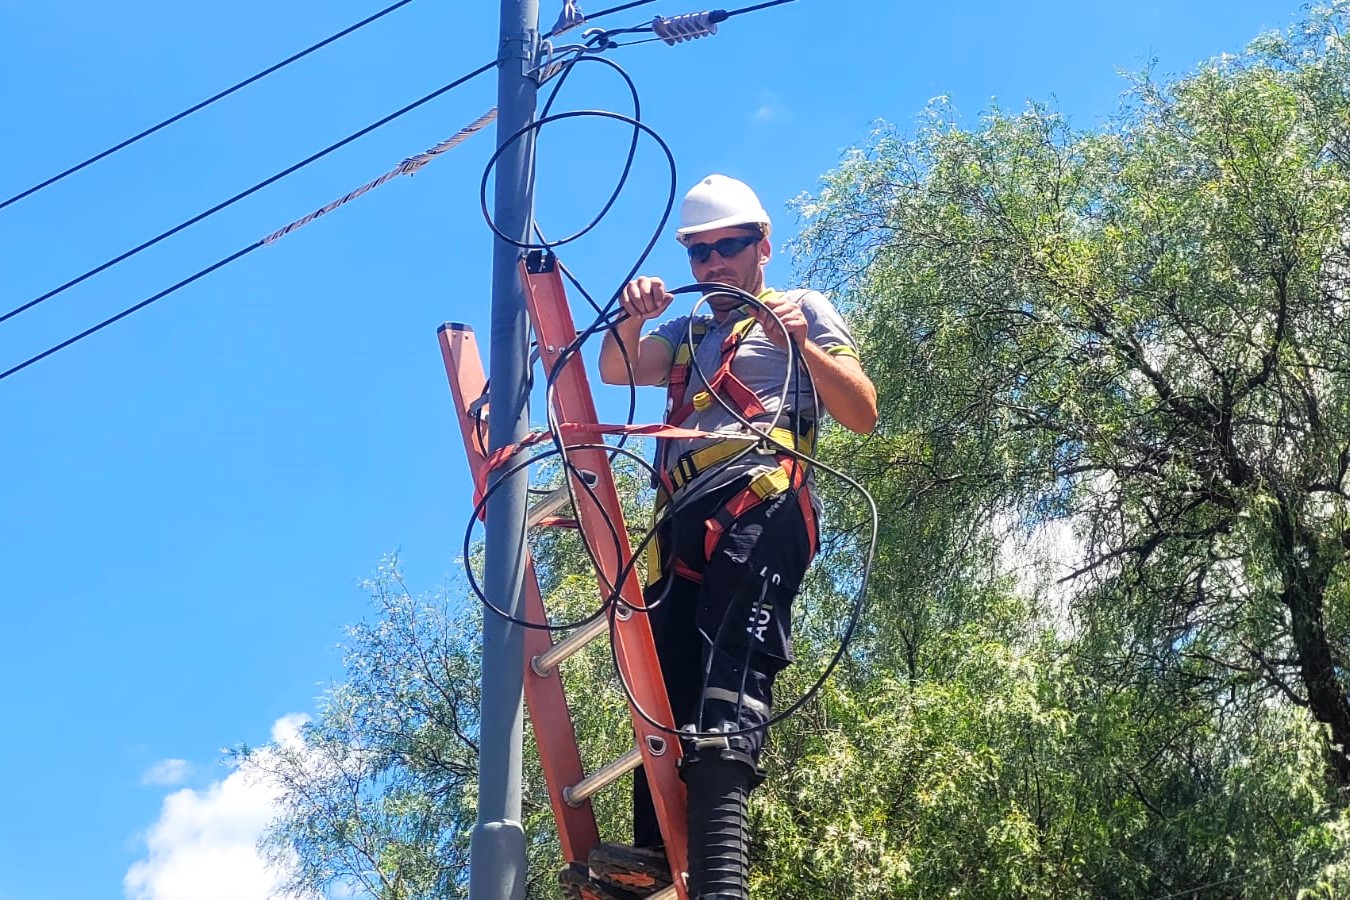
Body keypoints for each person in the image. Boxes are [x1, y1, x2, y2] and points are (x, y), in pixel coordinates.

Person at [563, 175, 877, 900]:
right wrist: (632, 316)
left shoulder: (802, 309)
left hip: (762, 498)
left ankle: (720, 881)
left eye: (727, 248)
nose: (711, 265)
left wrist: (797, 344)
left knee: (728, 675)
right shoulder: (689, 329)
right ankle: (653, 855)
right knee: (664, 686)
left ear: (761, 247)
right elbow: (616, 368)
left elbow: (861, 411)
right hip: (684, 516)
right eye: (699, 253)